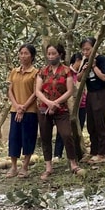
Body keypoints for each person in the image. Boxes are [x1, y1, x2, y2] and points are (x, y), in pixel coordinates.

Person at [35, 43, 82, 180]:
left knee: (67, 135)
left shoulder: (66, 71)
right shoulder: (42, 71)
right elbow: (37, 91)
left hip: (61, 109)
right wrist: (49, 103)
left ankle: (73, 163)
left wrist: (56, 103)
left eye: (53, 53)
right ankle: (48, 166)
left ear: (60, 54)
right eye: (48, 54)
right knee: (45, 137)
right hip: (44, 108)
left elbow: (70, 90)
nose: (50, 56)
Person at [6, 44, 38, 178]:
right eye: (21, 53)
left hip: (30, 111)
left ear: (32, 56)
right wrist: (17, 106)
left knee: (28, 138)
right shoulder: (14, 71)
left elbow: (36, 92)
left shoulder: (36, 73)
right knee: (14, 138)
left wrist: (24, 107)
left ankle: (25, 166)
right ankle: (13, 167)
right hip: (15, 109)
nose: (23, 56)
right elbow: (10, 90)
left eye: (26, 53)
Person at [80, 37, 105, 163]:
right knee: (91, 125)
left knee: (99, 124)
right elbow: (78, 78)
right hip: (90, 95)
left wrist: (93, 67)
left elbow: (104, 77)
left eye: (88, 49)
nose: (86, 52)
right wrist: (84, 69)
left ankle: (102, 153)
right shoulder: (85, 61)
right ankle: (94, 151)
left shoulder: (102, 59)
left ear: (94, 48)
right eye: (83, 50)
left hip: (101, 94)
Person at [53, 52, 85, 161]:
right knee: (63, 130)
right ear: (77, 61)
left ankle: (77, 153)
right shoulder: (66, 72)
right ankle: (57, 153)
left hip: (82, 105)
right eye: (81, 61)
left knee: (78, 128)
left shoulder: (82, 72)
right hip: (67, 106)